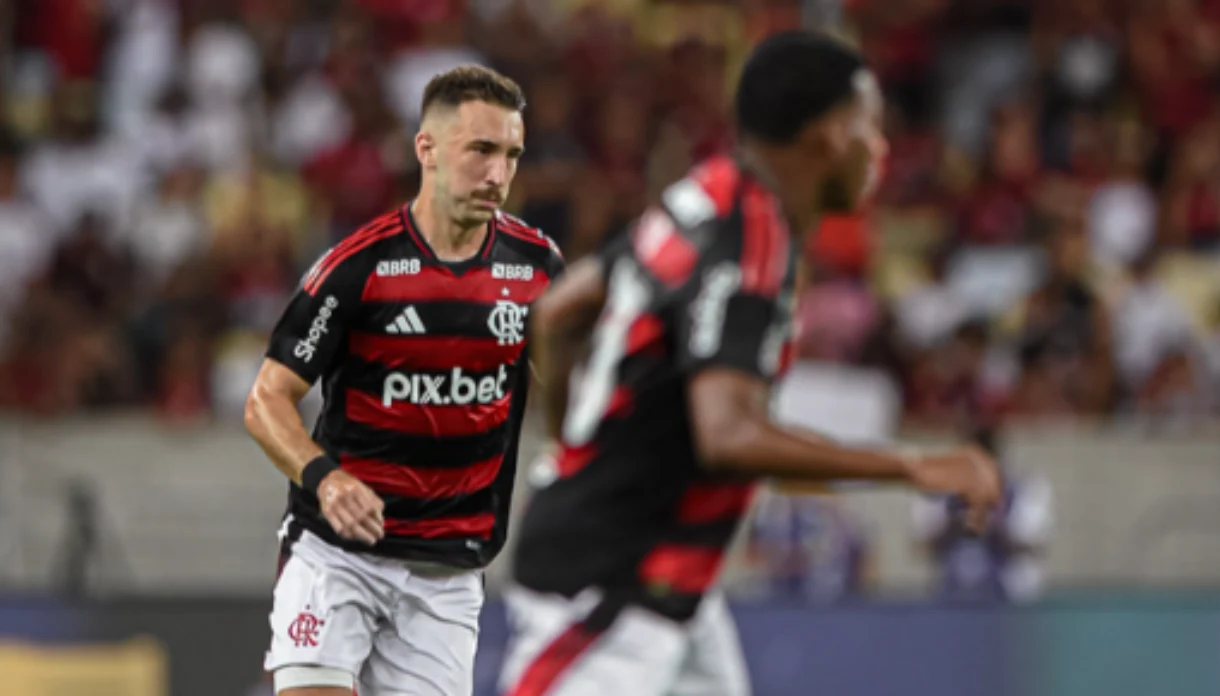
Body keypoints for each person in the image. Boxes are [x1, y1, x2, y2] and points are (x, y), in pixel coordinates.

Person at [498, 32, 1002, 696]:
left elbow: (559, 312)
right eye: (868, 127)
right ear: (825, 135)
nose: (879, 150)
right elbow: (728, 435)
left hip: (660, 580)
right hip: (612, 588)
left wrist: (575, 455)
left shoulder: (706, 192)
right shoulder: (753, 244)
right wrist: (913, 464)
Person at [244, 65, 563, 696]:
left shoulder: (536, 269)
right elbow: (266, 400)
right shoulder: (357, 266)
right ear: (428, 149)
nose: (498, 174)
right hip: (336, 555)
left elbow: (578, 387)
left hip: (446, 575)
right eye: (481, 150)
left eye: (511, 155)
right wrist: (324, 478)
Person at [912, 426, 1053, 603]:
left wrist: (995, 527)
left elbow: (1033, 546)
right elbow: (920, 546)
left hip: (1007, 593)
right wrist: (952, 525)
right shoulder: (940, 492)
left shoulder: (1022, 490)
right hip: (951, 592)